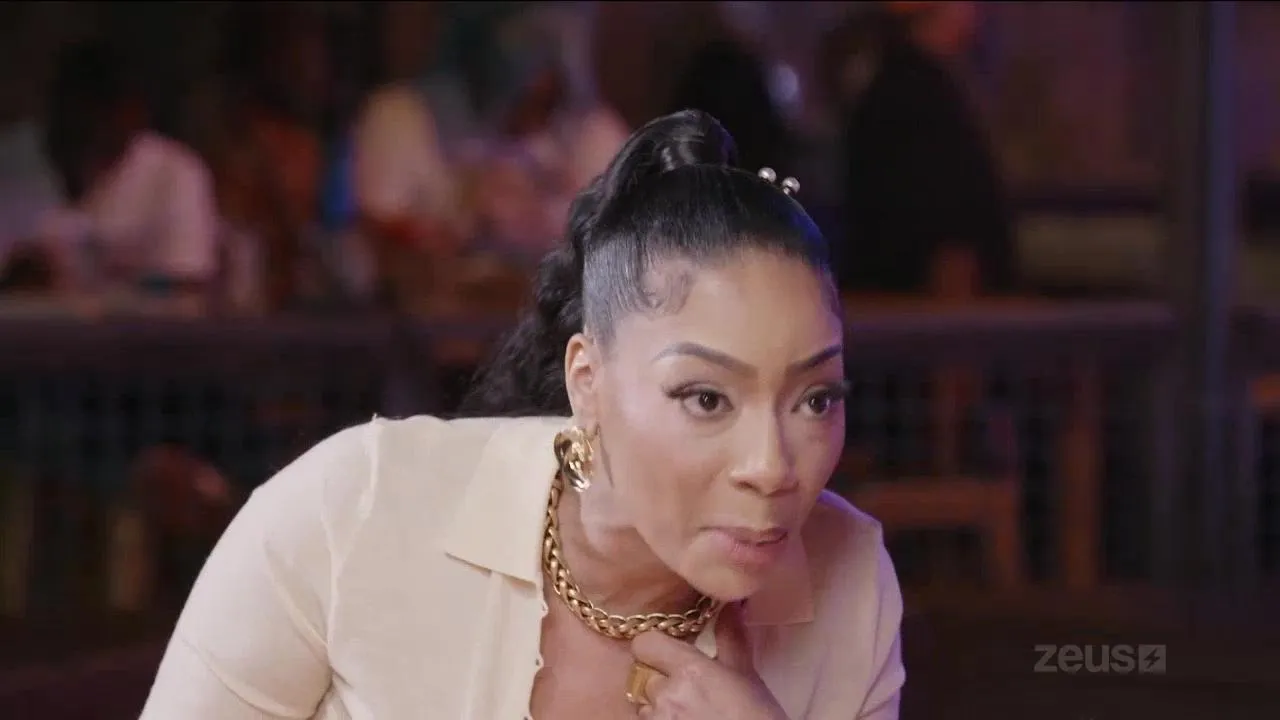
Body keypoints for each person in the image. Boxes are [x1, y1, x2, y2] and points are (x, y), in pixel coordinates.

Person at [139, 110, 905, 719]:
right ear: (588, 382)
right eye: (706, 398)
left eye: (815, 399)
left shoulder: (847, 578)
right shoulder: (354, 510)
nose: (771, 467)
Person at [829, 2, 1015, 296]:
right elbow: (940, 230)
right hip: (920, 304)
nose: (976, 12)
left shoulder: (903, 86)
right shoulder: (915, 96)